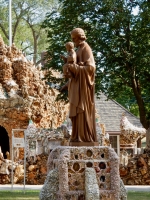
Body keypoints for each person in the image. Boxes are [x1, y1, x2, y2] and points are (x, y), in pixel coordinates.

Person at [62, 28, 98, 143]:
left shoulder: (86, 48)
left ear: (79, 37)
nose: (73, 41)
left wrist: (76, 68)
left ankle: (85, 137)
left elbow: (91, 68)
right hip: (76, 87)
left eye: (74, 38)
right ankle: (77, 136)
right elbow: (75, 70)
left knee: (82, 113)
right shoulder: (77, 50)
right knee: (76, 116)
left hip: (83, 91)